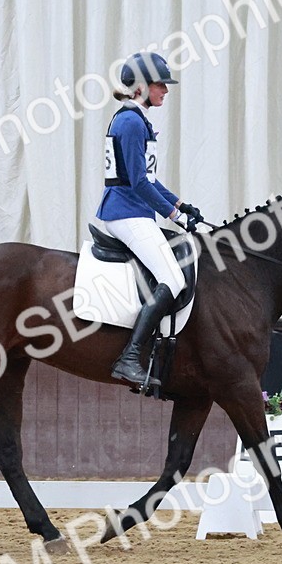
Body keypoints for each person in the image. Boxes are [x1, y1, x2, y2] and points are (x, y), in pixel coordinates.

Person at [96, 51, 203, 389]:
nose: (166, 92)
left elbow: (150, 179)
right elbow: (139, 183)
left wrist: (180, 204)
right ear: (141, 87)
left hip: (133, 209)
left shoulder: (136, 119)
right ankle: (129, 358)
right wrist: (173, 216)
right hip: (125, 212)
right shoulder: (129, 122)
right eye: (160, 85)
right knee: (172, 278)